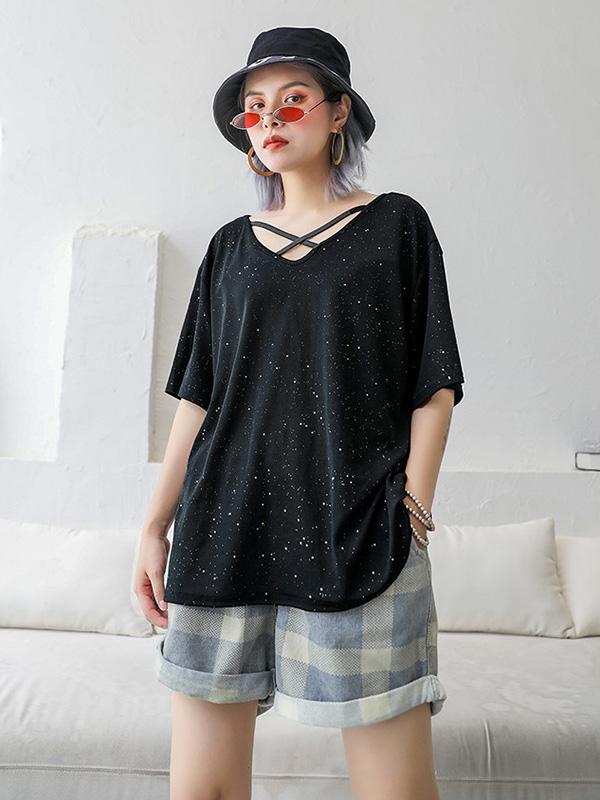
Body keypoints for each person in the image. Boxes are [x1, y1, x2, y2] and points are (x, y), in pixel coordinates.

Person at [134, 26, 465, 800]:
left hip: (361, 530)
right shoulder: (229, 248)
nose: (270, 119)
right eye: (254, 107)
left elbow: (435, 382)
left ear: (339, 111)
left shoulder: (397, 225)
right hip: (223, 527)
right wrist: (153, 525)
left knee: (396, 793)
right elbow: (199, 396)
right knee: (202, 791)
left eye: (292, 99)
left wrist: (415, 508)